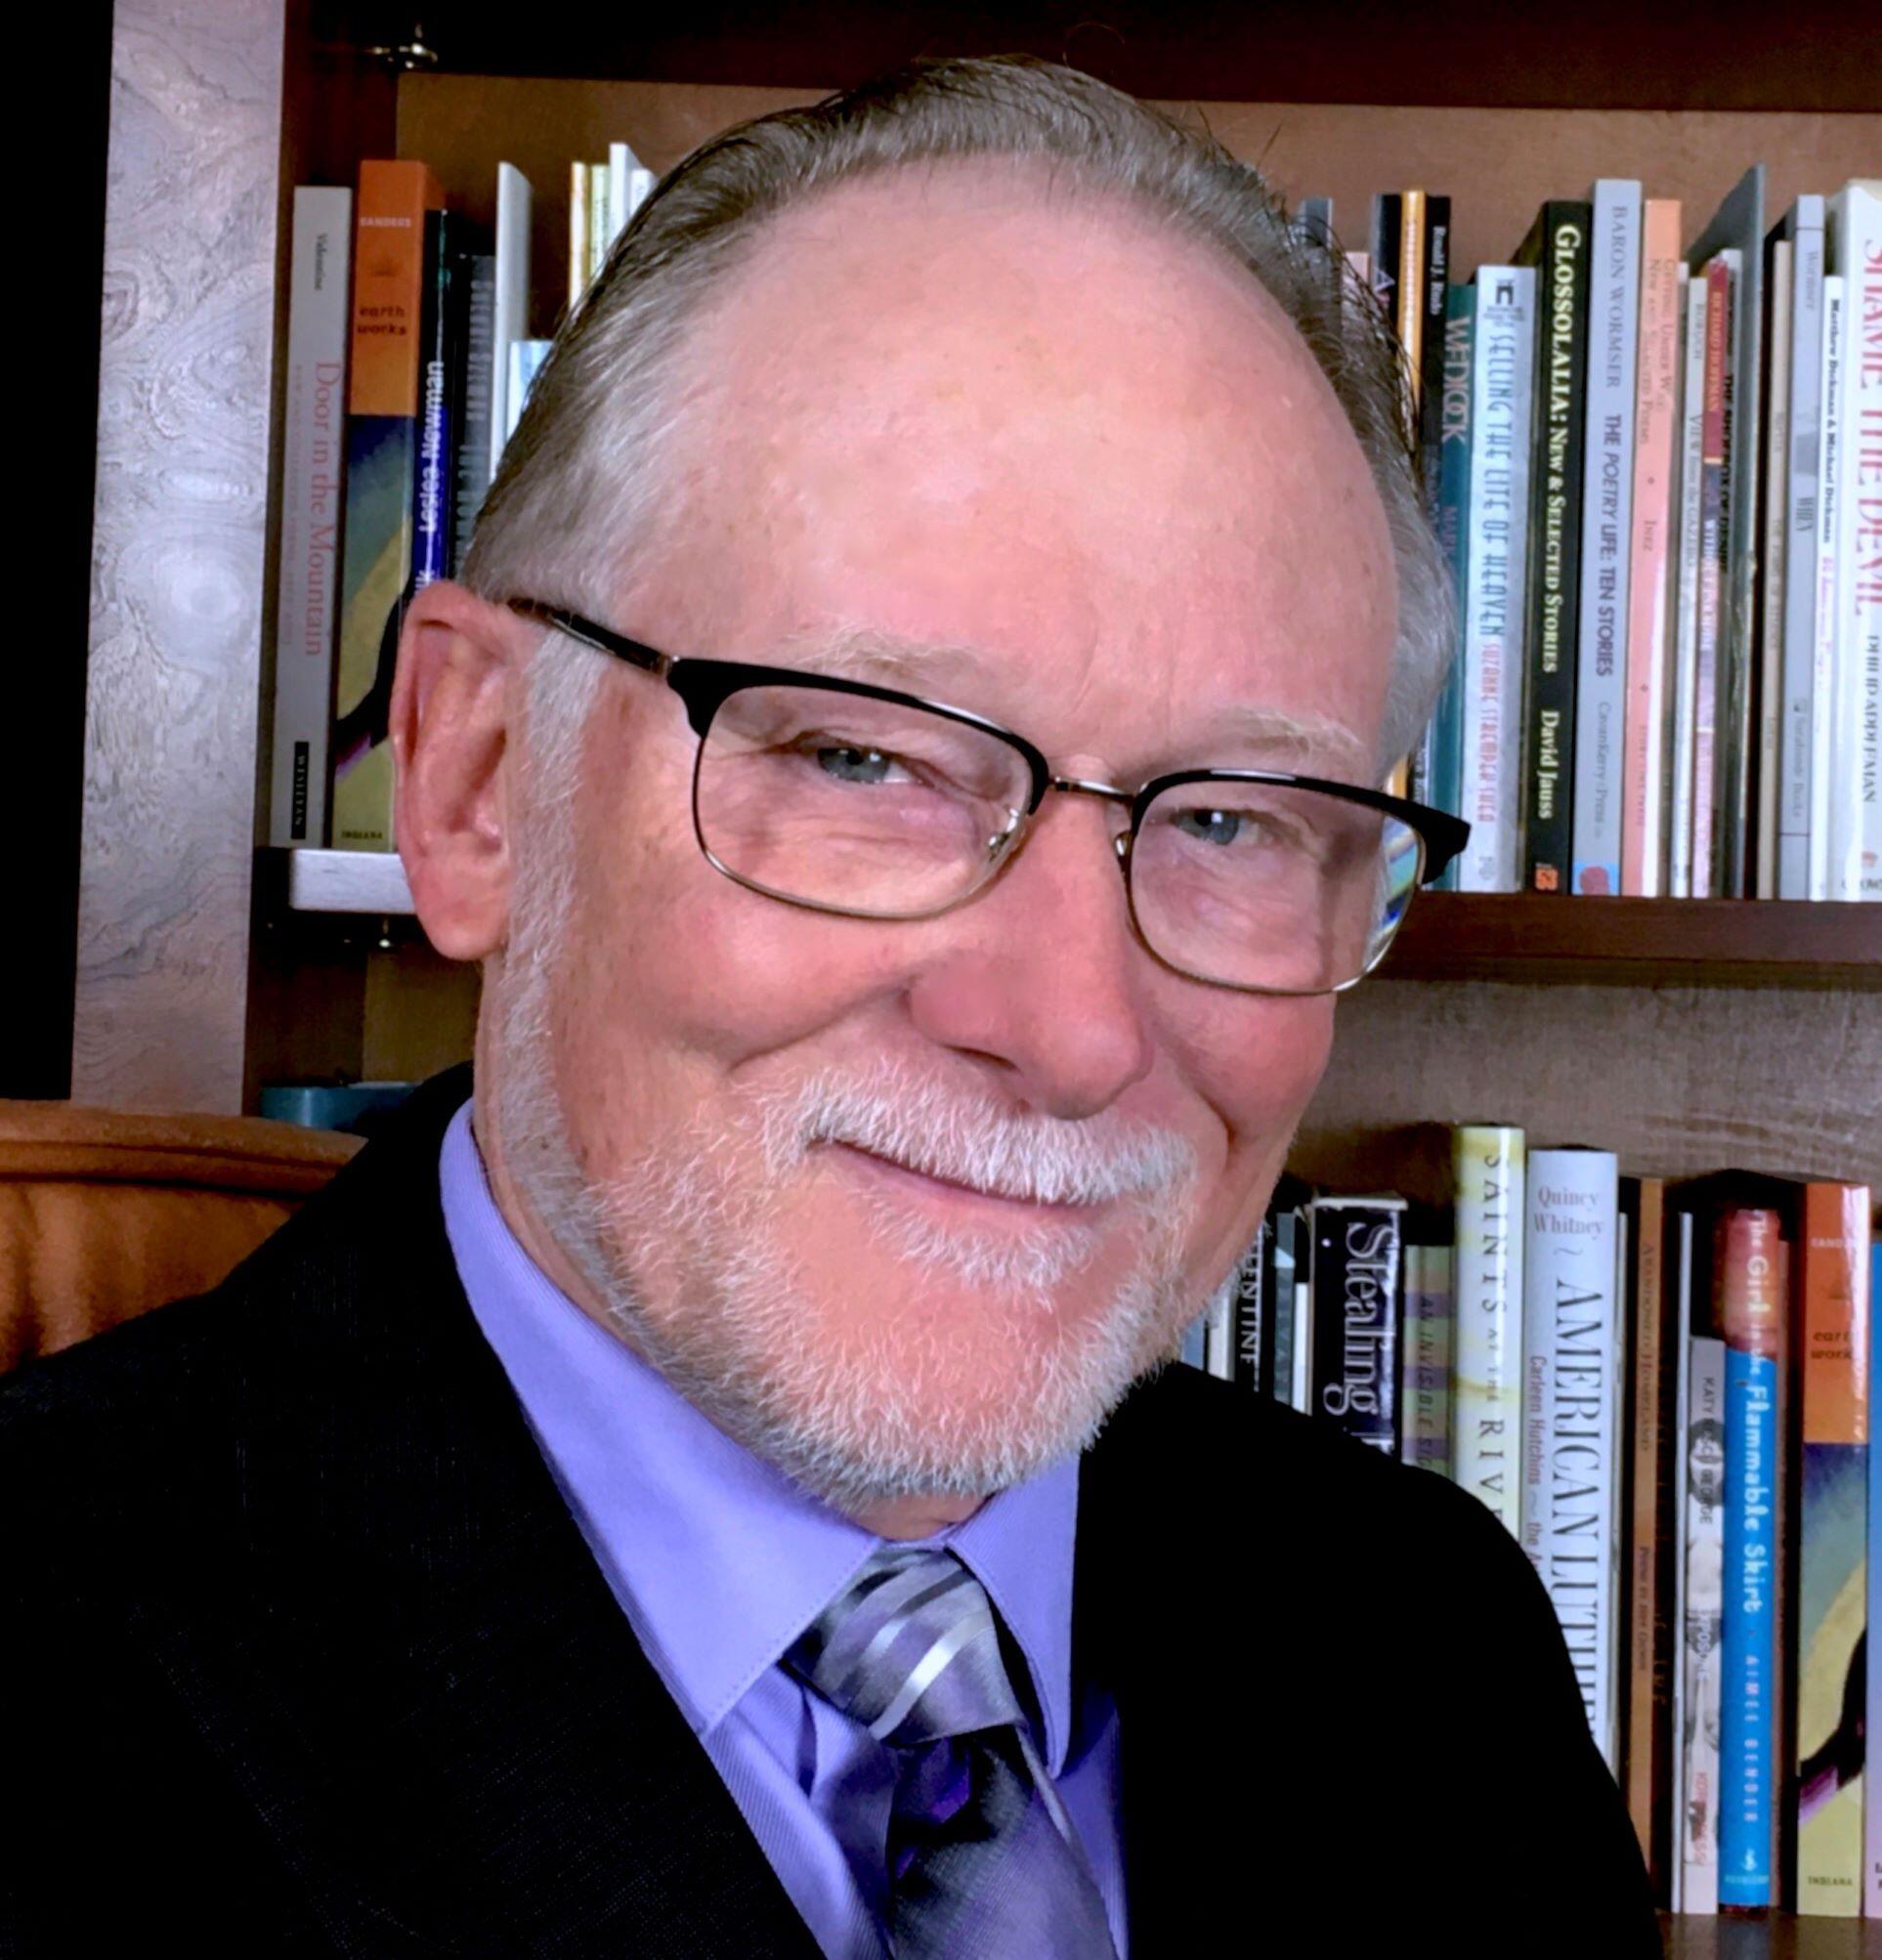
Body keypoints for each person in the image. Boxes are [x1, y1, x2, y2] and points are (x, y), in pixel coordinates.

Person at [4, 57, 1657, 1956]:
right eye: (868, 760)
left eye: (1228, 816)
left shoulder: (1417, 1637)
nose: (1071, 1026)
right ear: (473, 778)